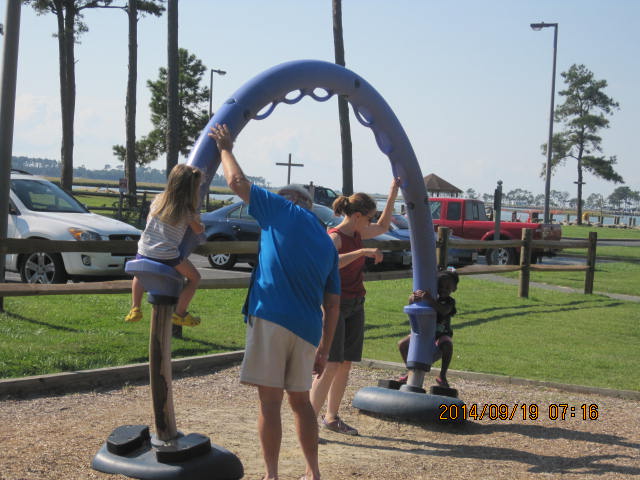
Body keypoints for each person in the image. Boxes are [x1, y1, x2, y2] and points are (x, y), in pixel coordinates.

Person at [209, 123, 341, 480]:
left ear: (291, 199)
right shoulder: (327, 242)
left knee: (269, 402)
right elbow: (333, 303)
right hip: (308, 328)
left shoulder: (282, 210)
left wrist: (224, 147)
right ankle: (313, 473)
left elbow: (237, 183)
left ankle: (271, 475)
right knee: (301, 403)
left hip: (271, 318)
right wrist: (325, 349)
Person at [310, 179, 400, 436]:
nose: (372, 223)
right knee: (329, 365)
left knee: (345, 364)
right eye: (368, 218)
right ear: (358, 216)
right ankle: (308, 422)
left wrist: (392, 193)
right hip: (334, 306)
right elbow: (329, 263)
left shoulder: (359, 233)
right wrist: (361, 252)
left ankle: (331, 417)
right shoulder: (335, 237)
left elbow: (383, 225)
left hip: (356, 304)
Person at [124, 163, 204, 327]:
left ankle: (135, 307)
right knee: (195, 277)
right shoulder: (187, 211)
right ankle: (180, 313)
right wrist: (199, 222)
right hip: (166, 254)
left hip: (144, 249)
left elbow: (148, 221)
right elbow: (198, 231)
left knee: (139, 273)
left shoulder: (158, 200)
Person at [397, 270, 459, 387]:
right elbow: (412, 305)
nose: (443, 289)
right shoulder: (429, 297)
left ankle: (442, 375)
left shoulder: (449, 301)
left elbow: (443, 310)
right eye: (440, 286)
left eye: (447, 287)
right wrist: (413, 298)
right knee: (402, 344)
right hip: (423, 334)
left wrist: (430, 300)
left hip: (440, 336)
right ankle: (410, 370)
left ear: (454, 289)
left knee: (448, 345)